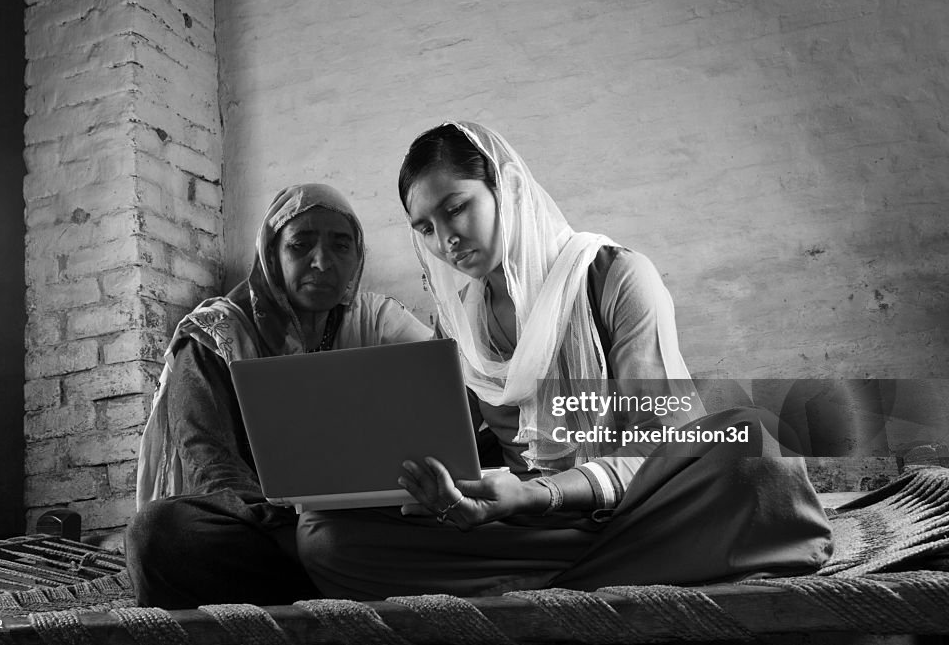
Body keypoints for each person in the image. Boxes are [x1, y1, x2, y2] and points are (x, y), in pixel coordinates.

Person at [296, 122, 833, 600]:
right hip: (529, 524)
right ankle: (629, 573)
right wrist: (427, 487)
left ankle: (531, 585)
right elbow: (448, 445)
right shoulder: (457, 321)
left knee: (757, 446)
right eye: (425, 227)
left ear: (506, 187)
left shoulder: (617, 276)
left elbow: (665, 441)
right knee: (326, 536)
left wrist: (538, 494)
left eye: (456, 207)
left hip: (635, 502)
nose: (447, 239)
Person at [126, 183, 431, 608]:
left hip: (365, 523)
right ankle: (344, 581)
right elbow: (212, 468)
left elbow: (448, 395)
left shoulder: (376, 320)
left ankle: (336, 579)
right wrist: (301, 525)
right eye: (301, 245)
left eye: (341, 246)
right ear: (272, 255)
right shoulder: (216, 337)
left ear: (357, 259)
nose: (322, 262)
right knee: (159, 534)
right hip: (271, 532)